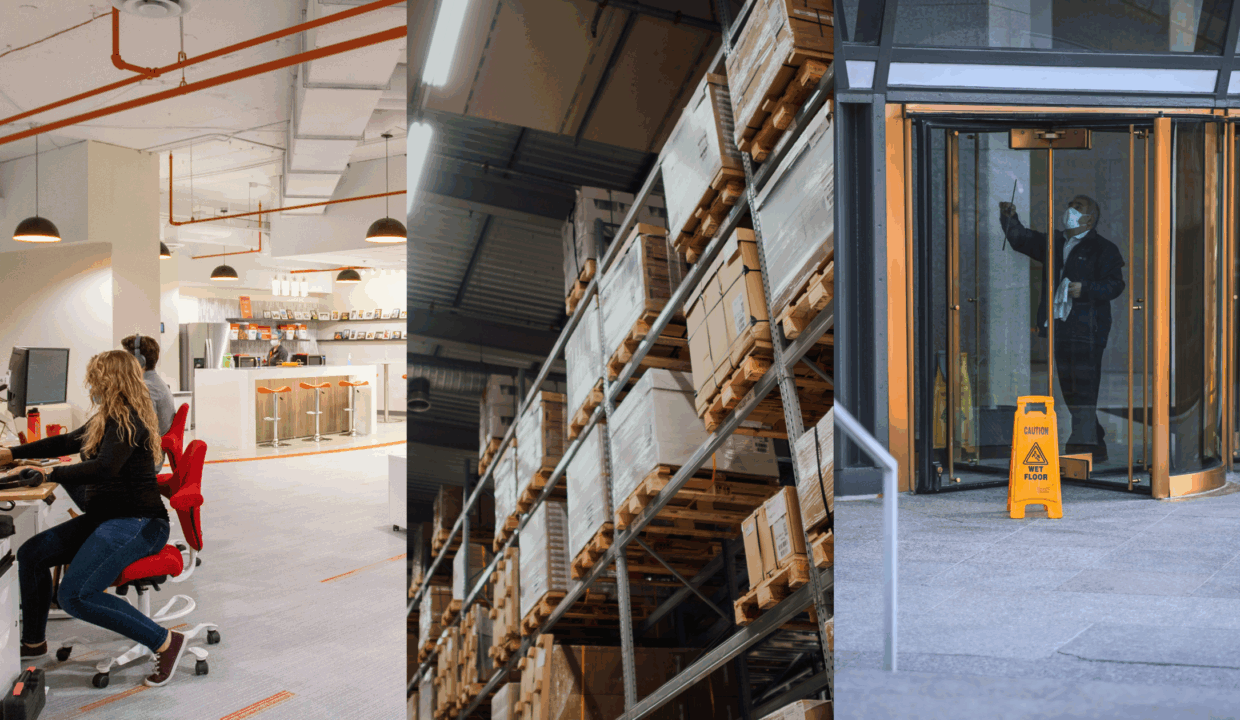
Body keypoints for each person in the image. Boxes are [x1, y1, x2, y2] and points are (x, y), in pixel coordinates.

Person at [0, 350, 187, 687]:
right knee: (32, 554)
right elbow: (70, 440)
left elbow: (104, 468)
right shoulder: (108, 417)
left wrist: (48, 473)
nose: (90, 384)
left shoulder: (127, 420)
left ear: (110, 380)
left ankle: (165, 641)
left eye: (95, 377)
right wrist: (14, 454)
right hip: (109, 517)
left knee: (76, 594)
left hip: (139, 523)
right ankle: (33, 641)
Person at [999, 195, 1125, 462]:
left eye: (1077, 207)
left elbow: (1115, 285)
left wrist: (1086, 289)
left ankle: (1081, 449)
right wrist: (1009, 217)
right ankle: (1095, 443)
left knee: (1084, 388)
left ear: (1089, 219)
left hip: (1088, 329)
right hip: (1061, 327)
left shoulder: (1103, 248)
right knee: (1070, 388)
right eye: (1070, 205)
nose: (1070, 210)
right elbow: (1022, 239)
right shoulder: (1056, 242)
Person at [122, 335, 175, 437]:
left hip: (150, 446)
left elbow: (146, 428)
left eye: (127, 359)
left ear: (139, 361)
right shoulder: (154, 381)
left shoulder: (148, 387)